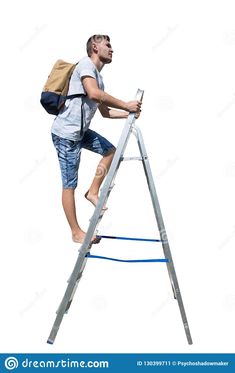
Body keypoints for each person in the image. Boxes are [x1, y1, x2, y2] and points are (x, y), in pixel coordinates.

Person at [51, 34, 142, 244]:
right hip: (66, 135)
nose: (112, 49)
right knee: (69, 184)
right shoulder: (85, 66)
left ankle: (93, 191)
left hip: (81, 132)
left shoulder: (98, 77)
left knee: (110, 151)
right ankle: (75, 232)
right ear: (95, 47)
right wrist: (126, 105)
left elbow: (105, 112)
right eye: (107, 45)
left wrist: (129, 114)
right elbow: (93, 94)